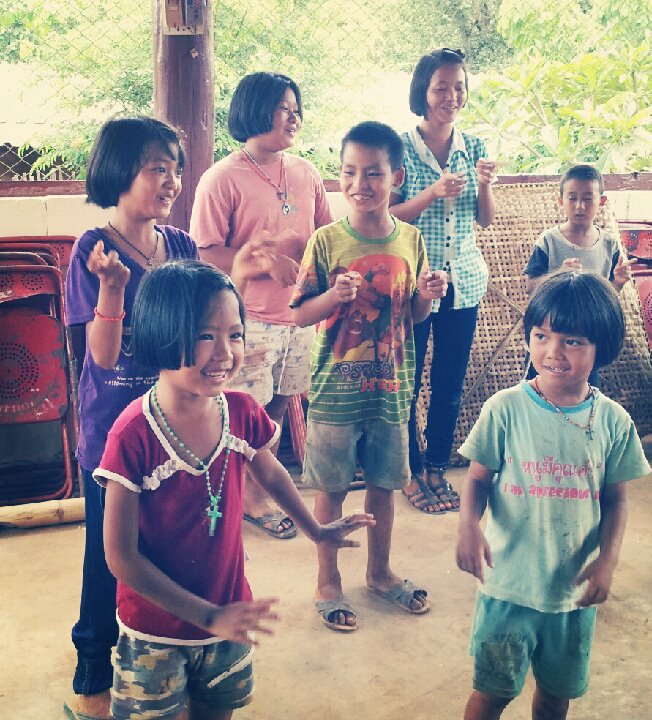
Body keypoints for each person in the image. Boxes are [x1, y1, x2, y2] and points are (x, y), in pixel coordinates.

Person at [96, 259, 373, 720]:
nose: (225, 352)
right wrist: (206, 616)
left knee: (218, 710)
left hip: (230, 619)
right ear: (161, 334)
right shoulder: (132, 435)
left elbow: (272, 474)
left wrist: (316, 530)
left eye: (236, 334)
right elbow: (120, 558)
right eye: (206, 335)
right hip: (154, 633)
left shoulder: (241, 411)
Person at [456, 270, 651, 720]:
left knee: (554, 697)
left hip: (571, 592)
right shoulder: (505, 409)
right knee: (492, 693)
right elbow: (478, 479)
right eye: (541, 335)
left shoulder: (613, 422)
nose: (552, 352)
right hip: (508, 586)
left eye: (572, 341)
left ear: (602, 346)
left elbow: (617, 500)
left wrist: (608, 561)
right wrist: (467, 525)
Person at [63, 116, 201, 720]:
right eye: (157, 169)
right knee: (107, 556)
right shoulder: (92, 251)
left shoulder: (183, 247)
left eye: (176, 169)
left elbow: (200, 335)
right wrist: (113, 289)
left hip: (175, 429)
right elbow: (102, 356)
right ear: (120, 173)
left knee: (170, 547)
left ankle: (169, 657)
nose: (171, 181)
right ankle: (93, 671)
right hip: (112, 436)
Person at [290, 121, 447, 631]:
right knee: (331, 489)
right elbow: (301, 314)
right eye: (350, 172)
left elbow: (414, 317)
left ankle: (379, 573)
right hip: (336, 390)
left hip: (391, 390)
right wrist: (333, 296)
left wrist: (427, 295)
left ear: (396, 177)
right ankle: (327, 579)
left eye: (374, 173)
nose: (361, 184)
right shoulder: (325, 240)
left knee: (383, 485)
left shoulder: (411, 239)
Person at [191, 71, 333, 540]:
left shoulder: (306, 172)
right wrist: (262, 263)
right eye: (282, 109)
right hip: (247, 321)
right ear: (254, 110)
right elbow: (206, 252)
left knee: (278, 405)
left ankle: (257, 485)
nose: (294, 118)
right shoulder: (221, 178)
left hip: (300, 317)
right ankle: (247, 498)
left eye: (296, 109)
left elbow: (325, 237)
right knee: (243, 409)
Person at [389, 47, 495, 515]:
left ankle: (436, 468)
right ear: (423, 91)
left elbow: (484, 220)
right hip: (412, 284)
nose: (451, 96)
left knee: (449, 385)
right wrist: (432, 192)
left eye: (459, 87)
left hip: (463, 283)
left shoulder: (475, 147)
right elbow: (388, 216)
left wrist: (485, 185)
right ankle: (409, 472)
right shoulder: (399, 148)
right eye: (441, 87)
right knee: (407, 384)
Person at [523, 163, 636, 386]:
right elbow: (530, 287)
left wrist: (617, 283)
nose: (579, 206)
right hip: (551, 332)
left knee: (584, 390)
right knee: (539, 390)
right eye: (572, 198)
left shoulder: (610, 244)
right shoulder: (549, 241)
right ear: (561, 200)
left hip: (586, 338)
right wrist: (559, 275)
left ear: (601, 201)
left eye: (588, 198)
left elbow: (605, 298)